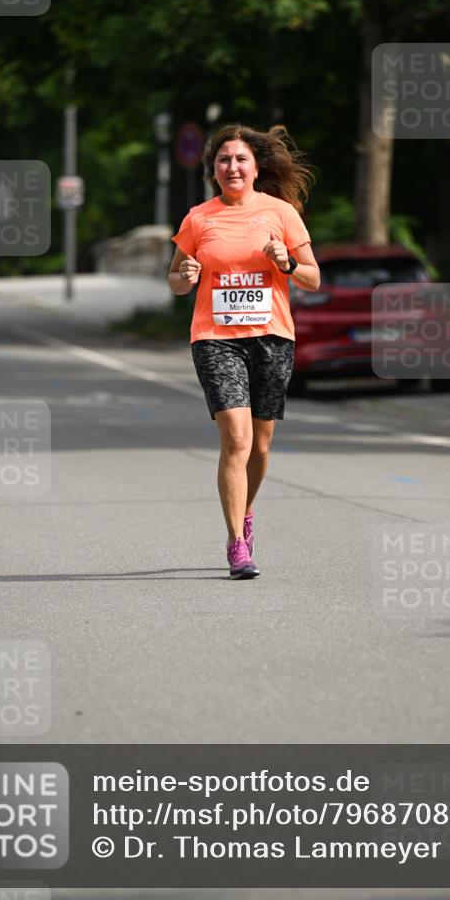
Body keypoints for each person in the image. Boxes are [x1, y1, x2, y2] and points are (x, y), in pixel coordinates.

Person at [168, 124, 320, 579]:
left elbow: (312, 277)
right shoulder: (199, 218)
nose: (232, 167)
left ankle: (246, 511)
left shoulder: (282, 213)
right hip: (215, 338)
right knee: (236, 438)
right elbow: (175, 282)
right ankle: (237, 544)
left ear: (256, 168)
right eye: (223, 160)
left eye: (240, 160)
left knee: (261, 444)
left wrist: (286, 263)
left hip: (272, 337)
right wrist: (187, 276)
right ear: (213, 170)